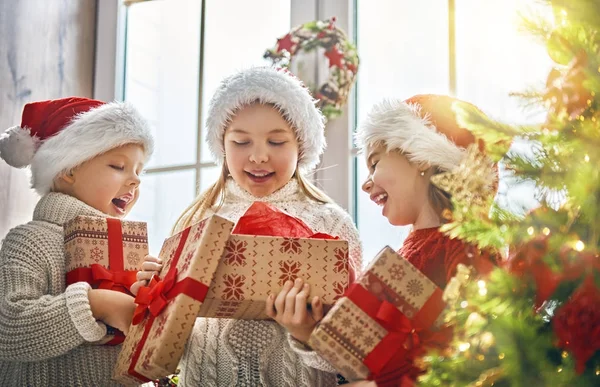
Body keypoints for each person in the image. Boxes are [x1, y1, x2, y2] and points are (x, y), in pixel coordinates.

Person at [132, 67, 362, 386]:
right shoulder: (197, 219)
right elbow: (171, 342)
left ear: (302, 146)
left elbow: (356, 355)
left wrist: (308, 334)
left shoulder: (331, 223)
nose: (257, 156)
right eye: (241, 142)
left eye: (277, 142)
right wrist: (154, 295)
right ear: (222, 146)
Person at [0, 97, 154, 386]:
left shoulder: (131, 251)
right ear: (68, 170)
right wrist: (96, 304)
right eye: (119, 166)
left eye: (139, 171)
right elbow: (8, 327)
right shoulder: (30, 241)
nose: (135, 181)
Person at [349, 94, 499, 386]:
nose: (366, 184)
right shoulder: (406, 252)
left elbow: (474, 351)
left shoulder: (465, 243)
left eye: (375, 163)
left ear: (419, 157)